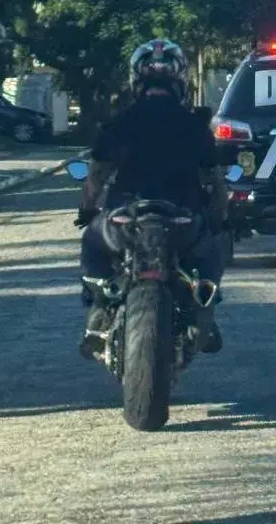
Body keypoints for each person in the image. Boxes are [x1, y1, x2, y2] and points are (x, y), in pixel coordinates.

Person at [76, 38, 228, 359]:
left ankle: (100, 306)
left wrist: (87, 211)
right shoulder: (195, 125)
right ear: (181, 80)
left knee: (92, 240)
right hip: (183, 219)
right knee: (215, 246)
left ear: (135, 80)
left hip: (125, 217)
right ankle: (204, 306)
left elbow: (96, 177)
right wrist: (220, 219)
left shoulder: (119, 122)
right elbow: (214, 181)